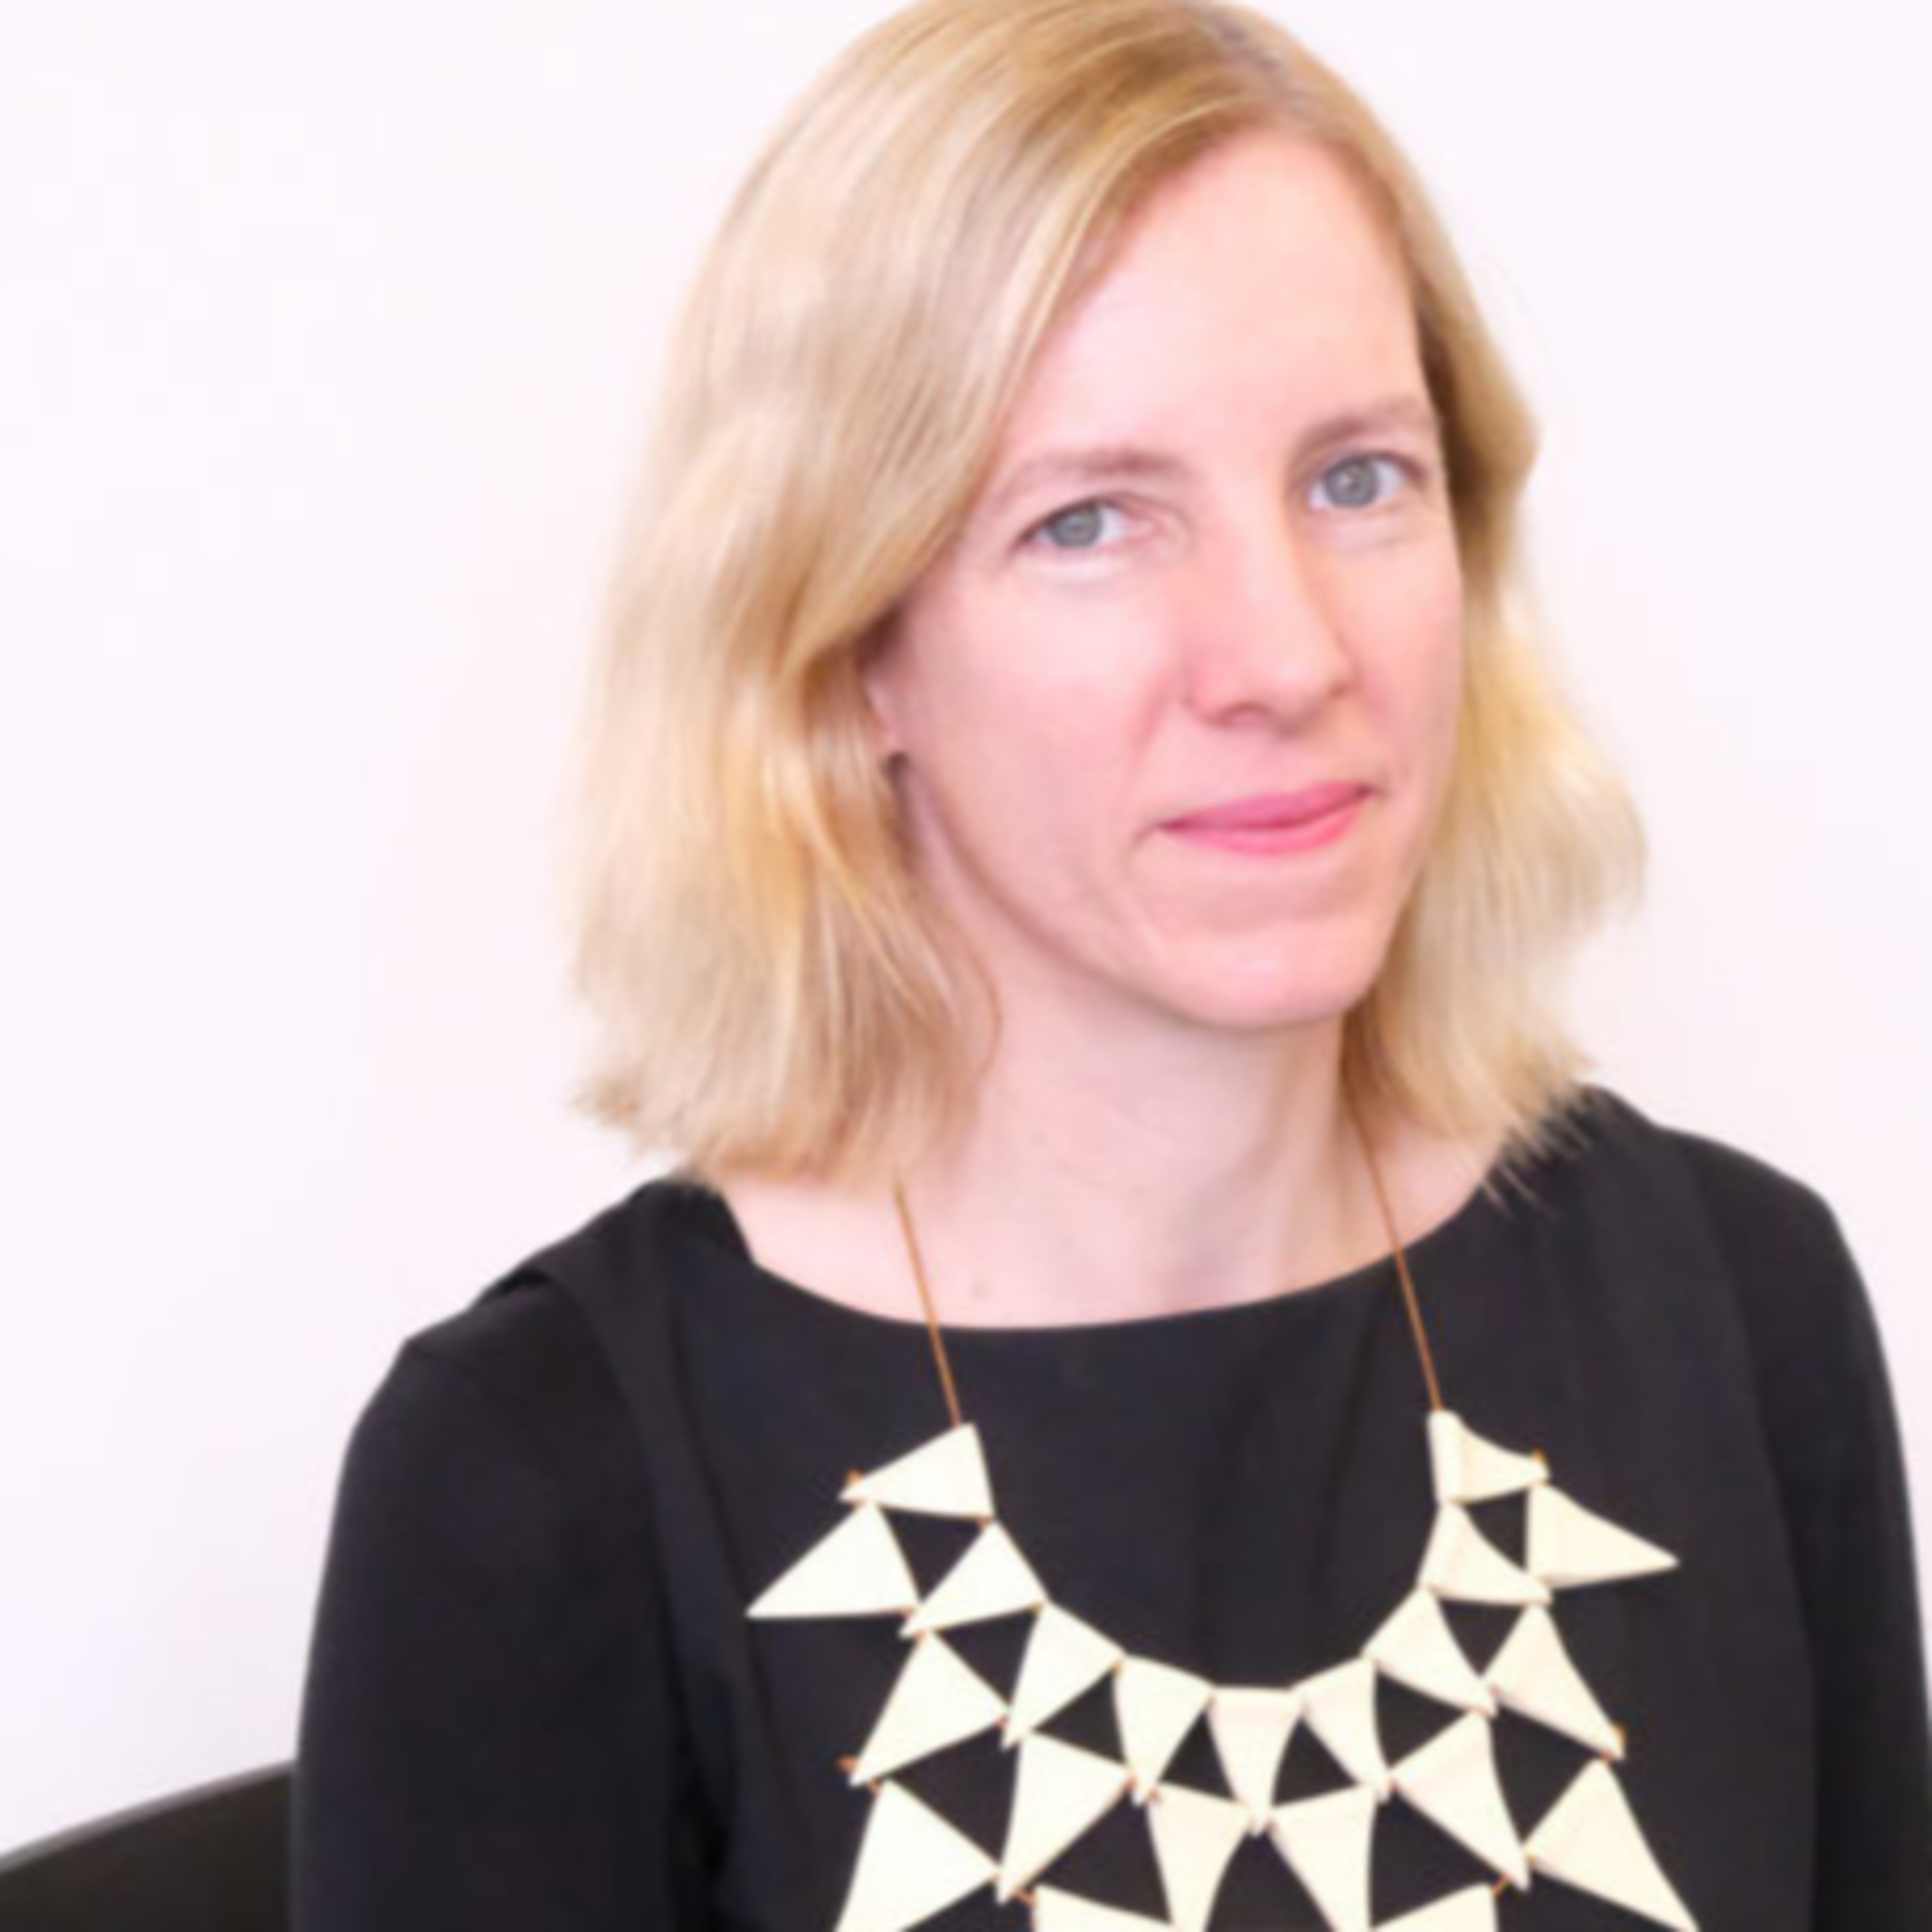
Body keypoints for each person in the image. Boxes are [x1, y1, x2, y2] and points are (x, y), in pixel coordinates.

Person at [290, 1, 1932, 1926]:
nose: (1289, 657)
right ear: (850, 649)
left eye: (1356, 480)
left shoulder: (1740, 1311)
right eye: (1088, 521)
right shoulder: (535, 1485)